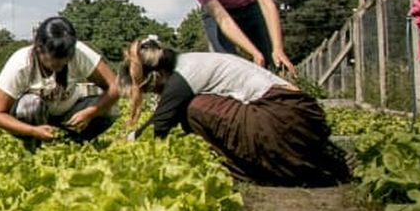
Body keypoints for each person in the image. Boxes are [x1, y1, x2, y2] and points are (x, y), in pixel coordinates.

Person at [123, 35, 349, 186]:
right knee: (194, 108)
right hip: (296, 116)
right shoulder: (191, 62)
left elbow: (159, 124)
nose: (156, 92)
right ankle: (303, 162)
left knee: (193, 109)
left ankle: (264, 169)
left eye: (152, 88)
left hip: (284, 118)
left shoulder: (182, 77)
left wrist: (127, 144)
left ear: (156, 74)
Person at [0, 15, 119, 144]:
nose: (62, 64)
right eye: (55, 62)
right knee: (30, 105)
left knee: (110, 108)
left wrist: (90, 112)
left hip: (69, 115)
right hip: (34, 121)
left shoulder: (79, 53)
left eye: (66, 60)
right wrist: (33, 131)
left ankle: (73, 142)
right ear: (39, 49)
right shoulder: (20, 64)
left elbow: (115, 86)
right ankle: (34, 146)